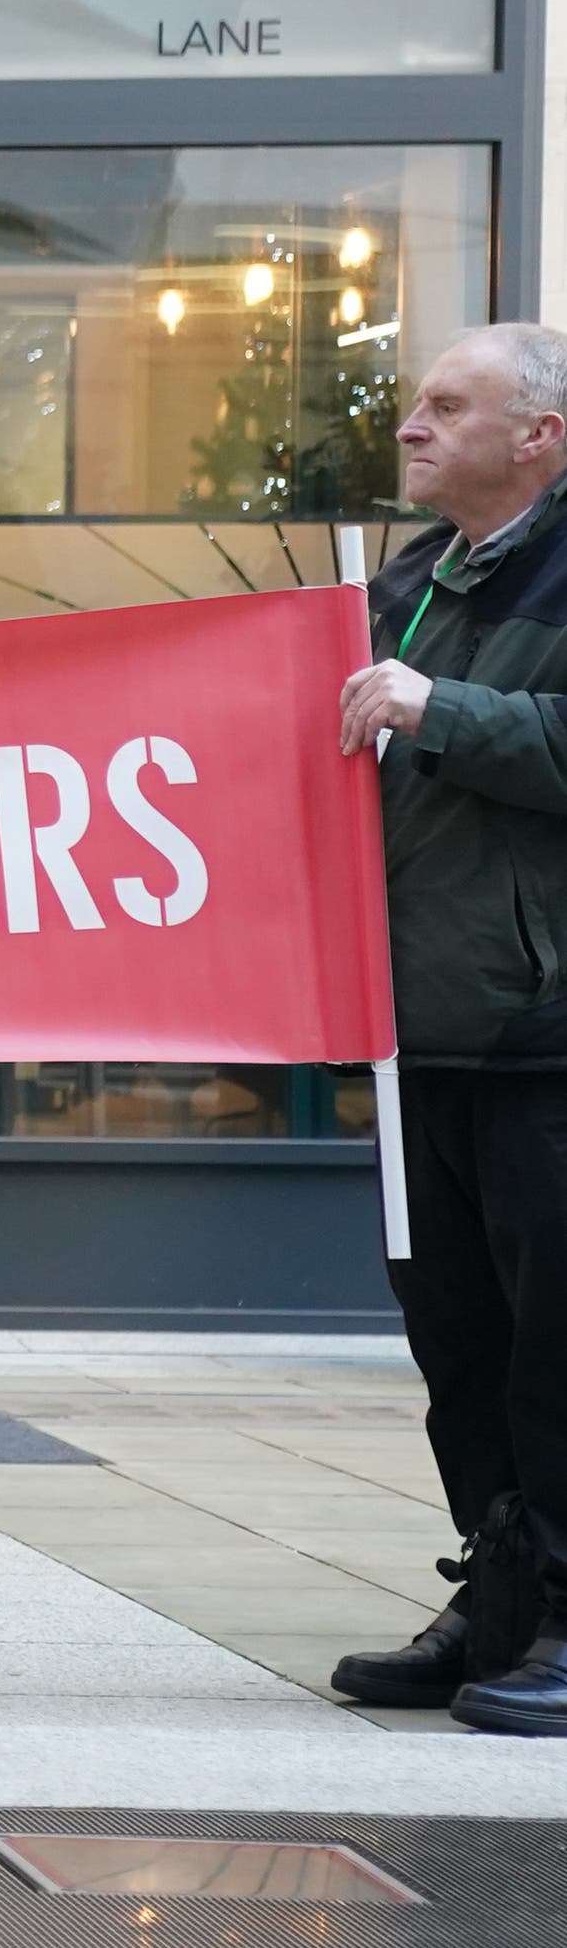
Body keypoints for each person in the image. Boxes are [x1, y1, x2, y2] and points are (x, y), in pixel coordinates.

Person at [335, 321, 567, 1735]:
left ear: (536, 433)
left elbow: (489, 735)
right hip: (416, 1031)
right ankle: (493, 1599)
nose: (409, 425)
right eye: (413, 404)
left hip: (543, 1032)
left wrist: (443, 711)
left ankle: (558, 1616)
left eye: (444, 405)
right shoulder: (410, 575)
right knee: (458, 1343)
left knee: (554, 1346)